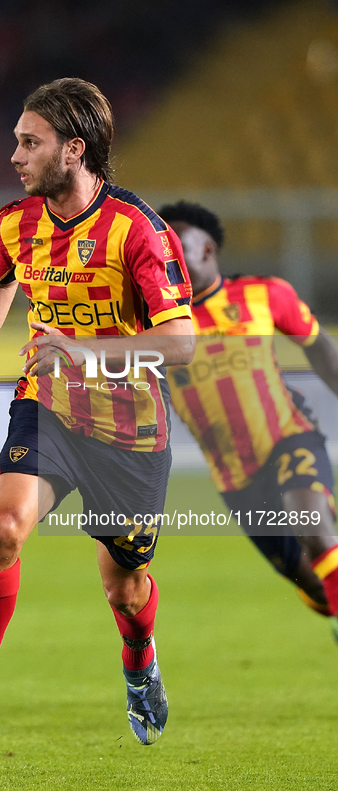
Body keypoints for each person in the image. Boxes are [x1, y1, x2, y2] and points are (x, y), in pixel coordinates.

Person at [0, 78, 195, 756]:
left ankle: (138, 656)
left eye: (28, 142)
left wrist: (83, 347)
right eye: (15, 140)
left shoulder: (136, 230)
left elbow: (180, 342)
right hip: (48, 407)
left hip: (130, 428)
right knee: (1, 531)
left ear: (73, 149)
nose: (14, 154)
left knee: (123, 589)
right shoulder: (17, 222)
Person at [159, 200, 338, 635]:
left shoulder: (263, 294)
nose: (169, 261)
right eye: (162, 252)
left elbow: (316, 344)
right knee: (315, 584)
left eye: (178, 249)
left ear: (207, 251)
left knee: (314, 530)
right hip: (234, 476)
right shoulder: (154, 325)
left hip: (289, 438)